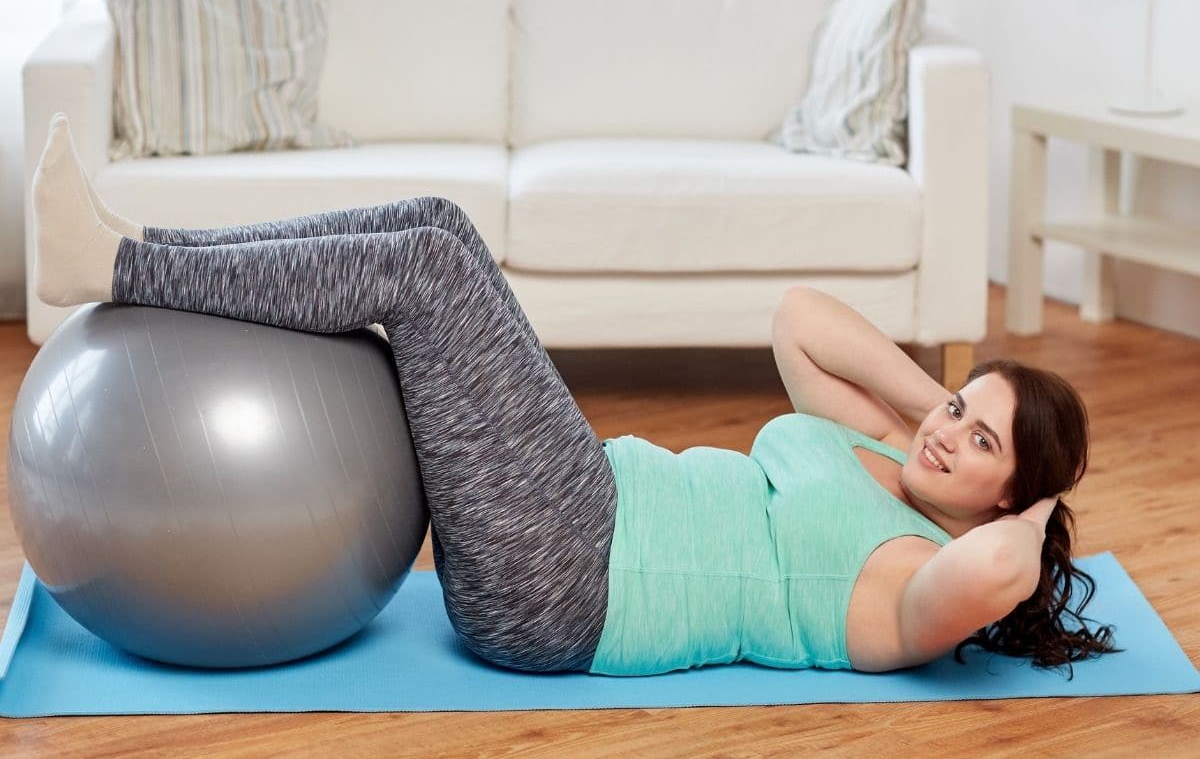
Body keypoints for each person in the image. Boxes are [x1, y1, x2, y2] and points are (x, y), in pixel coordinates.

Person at [31, 114, 1116, 678]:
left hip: (571, 589)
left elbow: (996, 569)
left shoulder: (915, 588)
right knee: (443, 226)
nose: (947, 434)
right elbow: (800, 319)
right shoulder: (878, 452)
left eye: (983, 446)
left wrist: (1033, 508)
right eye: (960, 414)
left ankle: (118, 268)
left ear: (1010, 494)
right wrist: (955, 409)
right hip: (584, 503)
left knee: (426, 274)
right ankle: (139, 248)